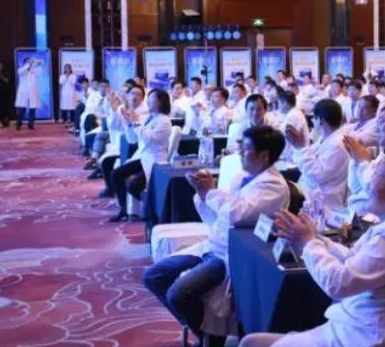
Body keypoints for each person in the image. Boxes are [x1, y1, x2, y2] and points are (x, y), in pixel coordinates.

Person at [240, 154, 385, 347]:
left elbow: (338, 284)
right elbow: (352, 258)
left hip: (366, 339)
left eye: (376, 177)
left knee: (252, 343)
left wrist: (309, 243)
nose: (368, 184)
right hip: (356, 330)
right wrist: (316, 238)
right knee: (251, 342)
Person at [143, 126, 289, 347]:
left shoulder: (274, 186)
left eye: (246, 148)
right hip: (212, 244)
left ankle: (210, 338)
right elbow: (217, 217)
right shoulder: (242, 177)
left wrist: (210, 192)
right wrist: (202, 194)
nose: (240, 152)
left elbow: (237, 212)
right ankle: (203, 333)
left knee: (177, 294)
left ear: (264, 155)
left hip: (231, 255)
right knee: (153, 276)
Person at [109, 89, 172, 222]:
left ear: (161, 101)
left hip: (155, 161)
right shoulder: (149, 118)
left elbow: (150, 138)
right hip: (143, 157)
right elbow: (132, 139)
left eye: (152, 98)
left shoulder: (165, 121)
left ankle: (152, 207)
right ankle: (124, 210)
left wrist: (136, 123)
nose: (148, 101)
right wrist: (128, 122)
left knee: (133, 186)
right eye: (148, 98)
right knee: (116, 174)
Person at [286, 99, 349, 214]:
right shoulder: (324, 139)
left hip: (325, 205)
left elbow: (318, 174)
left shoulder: (338, 145)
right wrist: (298, 146)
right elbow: (304, 161)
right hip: (311, 197)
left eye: (314, 118)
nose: (312, 121)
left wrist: (300, 148)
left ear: (320, 120)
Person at [278, 90, 310, 161]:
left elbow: (284, 137)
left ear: (285, 103)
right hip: (295, 154)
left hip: (296, 157)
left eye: (279, 103)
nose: (278, 106)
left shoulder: (293, 116)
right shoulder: (294, 113)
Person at [15, 57, 41, 131]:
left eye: (30, 61)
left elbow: (39, 74)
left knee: (33, 108)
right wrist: (28, 64)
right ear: (24, 63)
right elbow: (20, 72)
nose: (30, 62)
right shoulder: (21, 69)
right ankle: (19, 124)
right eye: (28, 61)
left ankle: (31, 124)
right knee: (22, 108)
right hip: (24, 91)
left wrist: (38, 65)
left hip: (33, 91)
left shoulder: (33, 70)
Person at [0, 60, 12, 127]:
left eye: (0, 65)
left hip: (4, 93)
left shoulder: (5, 72)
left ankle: (5, 121)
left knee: (4, 107)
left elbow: (7, 80)